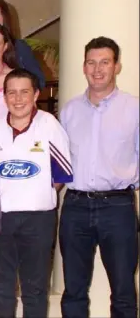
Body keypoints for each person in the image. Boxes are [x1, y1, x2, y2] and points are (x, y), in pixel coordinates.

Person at [59, 36, 139, 318]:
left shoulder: (134, 109)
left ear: (116, 66)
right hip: (75, 207)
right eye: (91, 63)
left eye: (105, 62)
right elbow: (59, 162)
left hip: (117, 208)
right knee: (74, 293)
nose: (97, 69)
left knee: (124, 293)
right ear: (83, 67)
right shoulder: (68, 111)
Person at [0, 68, 73, 317]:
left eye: (24, 92)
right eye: (11, 93)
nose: (18, 98)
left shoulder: (49, 125)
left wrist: (34, 193)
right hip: (0, 221)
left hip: (38, 221)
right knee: (1, 289)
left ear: (36, 94)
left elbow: (61, 175)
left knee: (34, 291)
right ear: (4, 97)